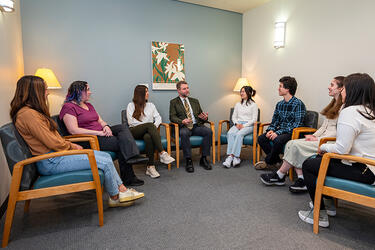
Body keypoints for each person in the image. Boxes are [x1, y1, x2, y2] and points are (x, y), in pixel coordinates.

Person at [10, 76, 144, 208]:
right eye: (45, 90)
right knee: (104, 160)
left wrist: (103, 127)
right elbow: (53, 142)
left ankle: (121, 190)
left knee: (106, 156)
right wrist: (72, 146)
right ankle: (116, 196)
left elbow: (53, 139)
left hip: (56, 155)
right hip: (51, 160)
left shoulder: (32, 113)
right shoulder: (28, 115)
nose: (48, 92)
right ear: (34, 92)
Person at [298, 73, 375, 228]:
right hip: (369, 167)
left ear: (352, 91)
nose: (342, 92)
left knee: (309, 165)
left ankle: (320, 215)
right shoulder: (369, 111)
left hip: (363, 170)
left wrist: (323, 147)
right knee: (319, 161)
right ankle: (328, 204)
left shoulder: (350, 111)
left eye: (344, 89)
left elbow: (341, 148)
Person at [260, 76, 344, 191]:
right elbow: (324, 126)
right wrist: (315, 135)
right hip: (320, 138)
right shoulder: (333, 104)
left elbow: (338, 132)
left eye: (332, 85)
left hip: (325, 140)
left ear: (341, 89)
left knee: (292, 144)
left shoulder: (344, 108)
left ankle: (279, 173)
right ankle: (299, 177)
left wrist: (319, 139)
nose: (329, 87)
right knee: (284, 142)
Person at [60, 81, 147, 186]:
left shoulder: (89, 105)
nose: (90, 92)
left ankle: (132, 157)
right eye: (87, 90)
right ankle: (129, 176)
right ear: (78, 91)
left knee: (122, 127)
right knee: (121, 142)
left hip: (100, 132)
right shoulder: (68, 107)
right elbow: (73, 130)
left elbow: (100, 120)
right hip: (89, 138)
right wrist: (99, 133)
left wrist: (105, 126)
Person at [255, 76, 306, 170]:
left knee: (277, 140)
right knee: (261, 138)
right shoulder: (280, 104)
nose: (278, 88)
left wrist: (277, 133)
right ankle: (278, 162)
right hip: (281, 131)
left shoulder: (298, 104)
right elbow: (275, 121)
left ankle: (268, 161)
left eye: (281, 86)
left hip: (292, 132)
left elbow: (297, 125)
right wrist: (270, 130)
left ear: (287, 89)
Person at [127, 85, 175, 178]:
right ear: (140, 94)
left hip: (147, 132)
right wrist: (149, 126)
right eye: (146, 91)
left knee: (148, 137)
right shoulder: (131, 105)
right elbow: (131, 122)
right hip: (134, 131)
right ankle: (162, 153)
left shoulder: (151, 105)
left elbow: (158, 118)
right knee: (149, 125)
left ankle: (150, 167)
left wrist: (152, 127)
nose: (148, 93)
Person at [169, 81, 213, 173]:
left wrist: (205, 117)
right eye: (184, 89)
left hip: (196, 125)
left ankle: (203, 158)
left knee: (209, 131)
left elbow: (201, 115)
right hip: (184, 127)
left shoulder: (195, 101)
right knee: (184, 133)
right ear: (178, 90)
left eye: (187, 88)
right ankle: (188, 160)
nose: (187, 90)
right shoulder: (174, 102)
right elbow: (172, 117)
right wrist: (182, 121)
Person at [223, 86, 258, 168]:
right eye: (241, 91)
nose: (241, 93)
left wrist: (244, 125)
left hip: (249, 125)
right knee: (230, 133)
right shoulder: (238, 104)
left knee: (239, 134)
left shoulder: (254, 105)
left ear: (248, 93)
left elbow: (254, 119)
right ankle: (233, 157)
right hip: (238, 124)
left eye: (243, 92)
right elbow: (234, 117)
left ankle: (233, 156)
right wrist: (236, 124)